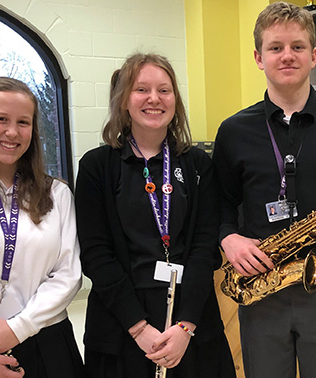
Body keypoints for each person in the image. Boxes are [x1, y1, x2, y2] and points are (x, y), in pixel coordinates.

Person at [212, 3, 316, 378]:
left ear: (314, 55)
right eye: (276, 47)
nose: (287, 56)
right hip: (261, 284)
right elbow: (219, 203)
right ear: (258, 57)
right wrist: (228, 238)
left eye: (298, 47)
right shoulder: (233, 131)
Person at [75, 53, 235, 378]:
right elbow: (96, 255)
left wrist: (185, 327)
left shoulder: (198, 166)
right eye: (141, 90)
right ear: (124, 101)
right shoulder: (96, 167)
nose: (154, 99)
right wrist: (139, 329)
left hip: (190, 322)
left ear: (175, 99)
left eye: (164, 90)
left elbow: (205, 249)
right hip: (121, 323)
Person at [0, 77, 84, 378]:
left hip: (47, 342)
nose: (12, 132)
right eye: (1, 119)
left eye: (23, 122)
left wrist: (19, 327)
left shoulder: (57, 195)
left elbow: (68, 274)